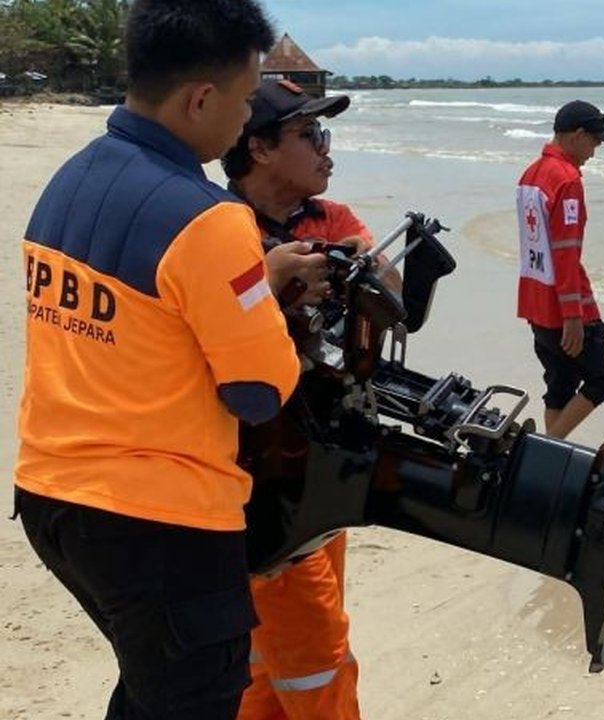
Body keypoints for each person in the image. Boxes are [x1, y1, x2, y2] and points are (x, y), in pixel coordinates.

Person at [13, 1, 297, 718]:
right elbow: (260, 390)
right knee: (196, 689)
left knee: (153, 682)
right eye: (244, 97)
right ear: (201, 98)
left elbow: (138, 323)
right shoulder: (209, 219)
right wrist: (264, 304)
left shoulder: (68, 181)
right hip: (158, 522)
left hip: (52, 497)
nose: (245, 119)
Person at [222, 78, 399, 720]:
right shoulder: (222, 230)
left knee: (272, 652)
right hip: (259, 468)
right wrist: (269, 283)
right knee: (316, 654)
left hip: (324, 457)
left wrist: (360, 268)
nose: (326, 150)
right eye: (310, 135)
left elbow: (396, 299)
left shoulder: (335, 220)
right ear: (261, 149)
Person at [515, 100, 604, 439]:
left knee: (560, 386)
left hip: (534, 301)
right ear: (577, 136)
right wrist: (574, 315)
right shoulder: (567, 181)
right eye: (594, 142)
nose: (594, 152)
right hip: (563, 307)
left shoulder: (531, 174)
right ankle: (543, 448)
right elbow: (565, 253)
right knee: (603, 380)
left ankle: (547, 464)